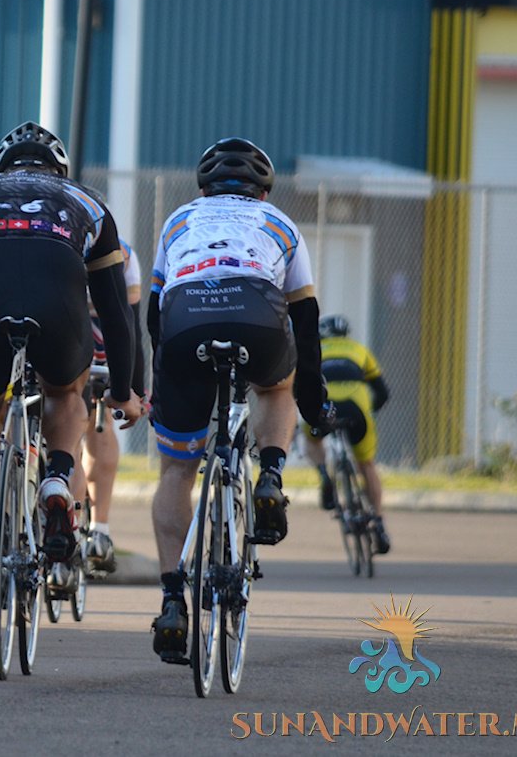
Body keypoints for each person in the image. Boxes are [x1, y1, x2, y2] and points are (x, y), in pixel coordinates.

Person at [0, 123, 143, 619]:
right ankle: (59, 476)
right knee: (65, 393)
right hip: (57, 310)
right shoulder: (87, 202)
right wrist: (126, 389)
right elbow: (115, 313)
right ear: (59, 169)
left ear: (2, 168)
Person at [146, 137, 332, 664]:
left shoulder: (179, 219)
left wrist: (167, 380)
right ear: (264, 191)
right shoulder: (282, 224)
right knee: (275, 384)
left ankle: (171, 601)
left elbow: (155, 314)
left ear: (202, 187)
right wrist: (312, 396)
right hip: (257, 312)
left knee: (176, 472)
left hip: (187, 318)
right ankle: (270, 475)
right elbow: (307, 318)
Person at [75, 240, 146, 574]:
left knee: (65, 430)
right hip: (102, 332)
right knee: (93, 421)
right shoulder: (121, 249)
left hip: (52, 325)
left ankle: (66, 519)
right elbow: (129, 324)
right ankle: (99, 529)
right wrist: (134, 389)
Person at [304, 315, 392, 554]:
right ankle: (379, 522)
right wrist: (369, 412)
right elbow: (382, 393)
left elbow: (301, 387)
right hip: (357, 409)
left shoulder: (315, 350)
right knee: (367, 464)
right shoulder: (359, 350)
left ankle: (324, 475)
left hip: (326, 407)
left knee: (311, 439)